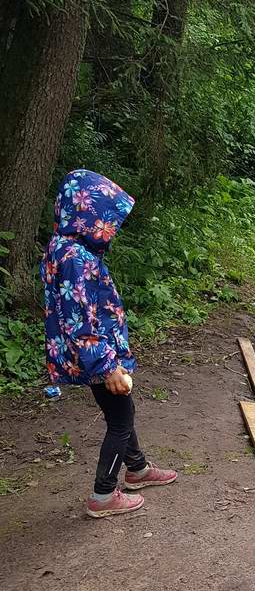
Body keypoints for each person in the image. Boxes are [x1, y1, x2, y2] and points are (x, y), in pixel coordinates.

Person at [40, 170, 177, 518]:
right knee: (121, 419)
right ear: (87, 213)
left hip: (95, 354)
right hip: (97, 356)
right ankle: (103, 495)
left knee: (120, 411)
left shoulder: (65, 247)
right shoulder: (76, 258)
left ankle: (138, 468)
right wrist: (107, 366)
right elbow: (79, 318)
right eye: (106, 219)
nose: (111, 228)